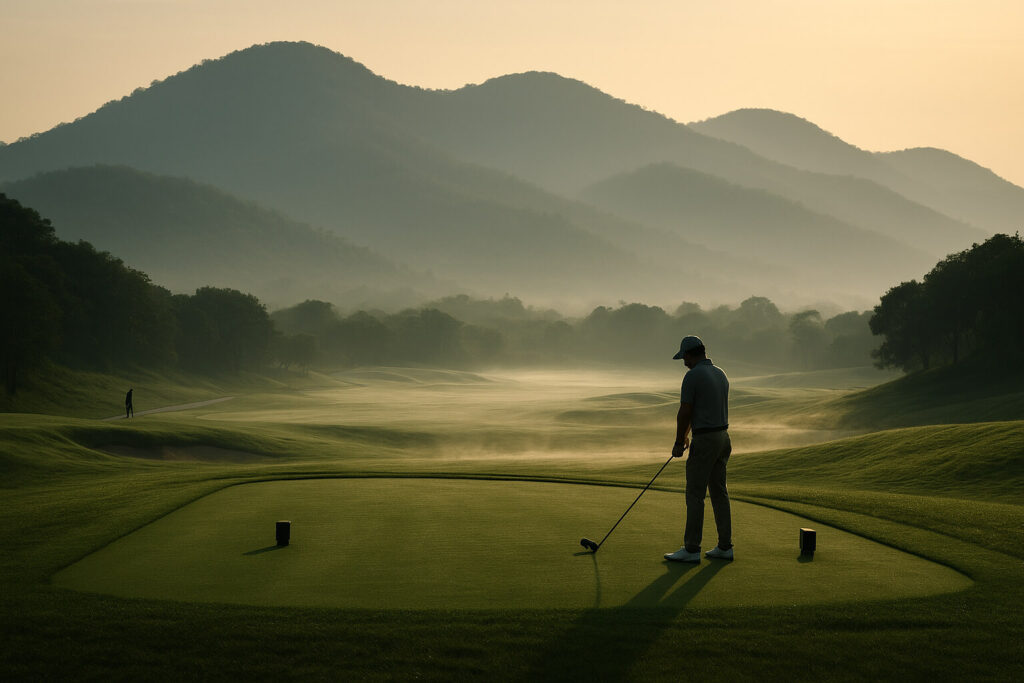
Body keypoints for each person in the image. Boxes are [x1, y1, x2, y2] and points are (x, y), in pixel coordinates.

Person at [664, 336, 733, 562]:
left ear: (691, 354)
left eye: (684, 357)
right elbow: (703, 408)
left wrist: (678, 441)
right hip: (723, 437)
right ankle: (725, 546)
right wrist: (685, 436)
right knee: (719, 492)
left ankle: (692, 549)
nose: (684, 362)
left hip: (705, 440)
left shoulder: (692, 376)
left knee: (695, 495)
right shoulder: (720, 373)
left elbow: (685, 411)